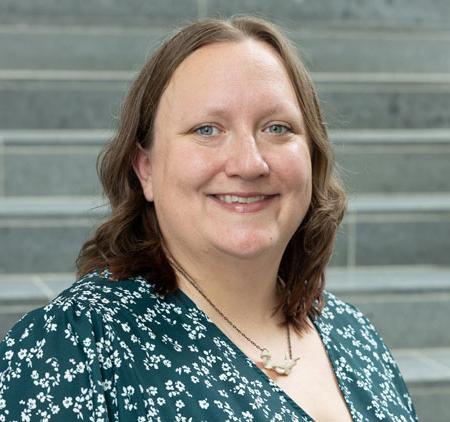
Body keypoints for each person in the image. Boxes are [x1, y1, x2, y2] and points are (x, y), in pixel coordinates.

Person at [0, 15, 418, 421]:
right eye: (207, 129)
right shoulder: (75, 345)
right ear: (145, 169)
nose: (249, 163)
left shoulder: (354, 334)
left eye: (277, 128)